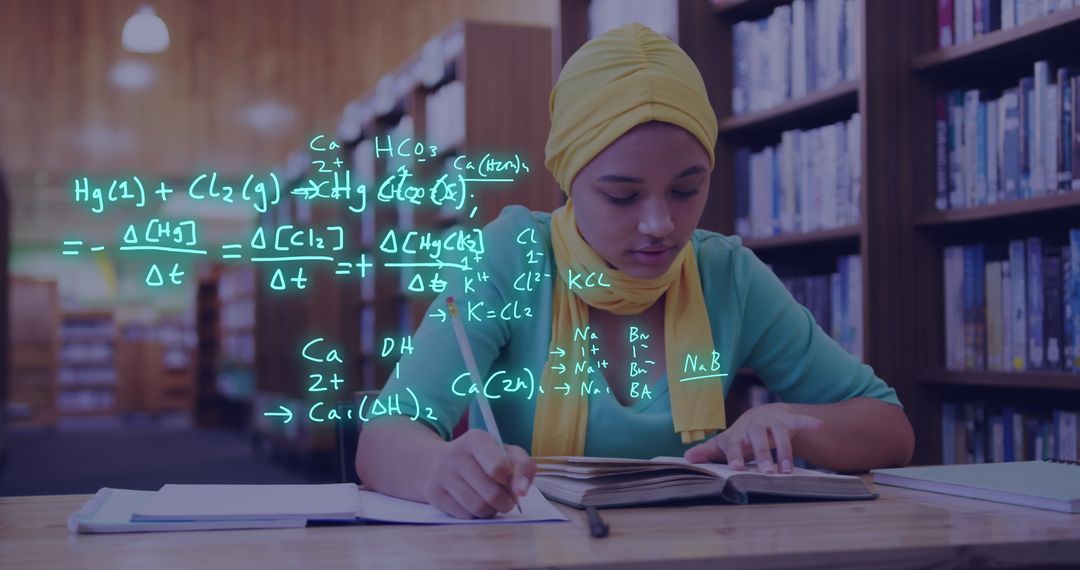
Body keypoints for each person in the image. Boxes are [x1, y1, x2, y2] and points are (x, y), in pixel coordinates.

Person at [356, 23, 914, 520]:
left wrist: (792, 421)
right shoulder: (510, 255)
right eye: (622, 196)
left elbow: (890, 428)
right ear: (569, 180)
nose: (660, 224)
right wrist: (440, 469)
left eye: (686, 190)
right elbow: (382, 438)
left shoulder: (726, 272)